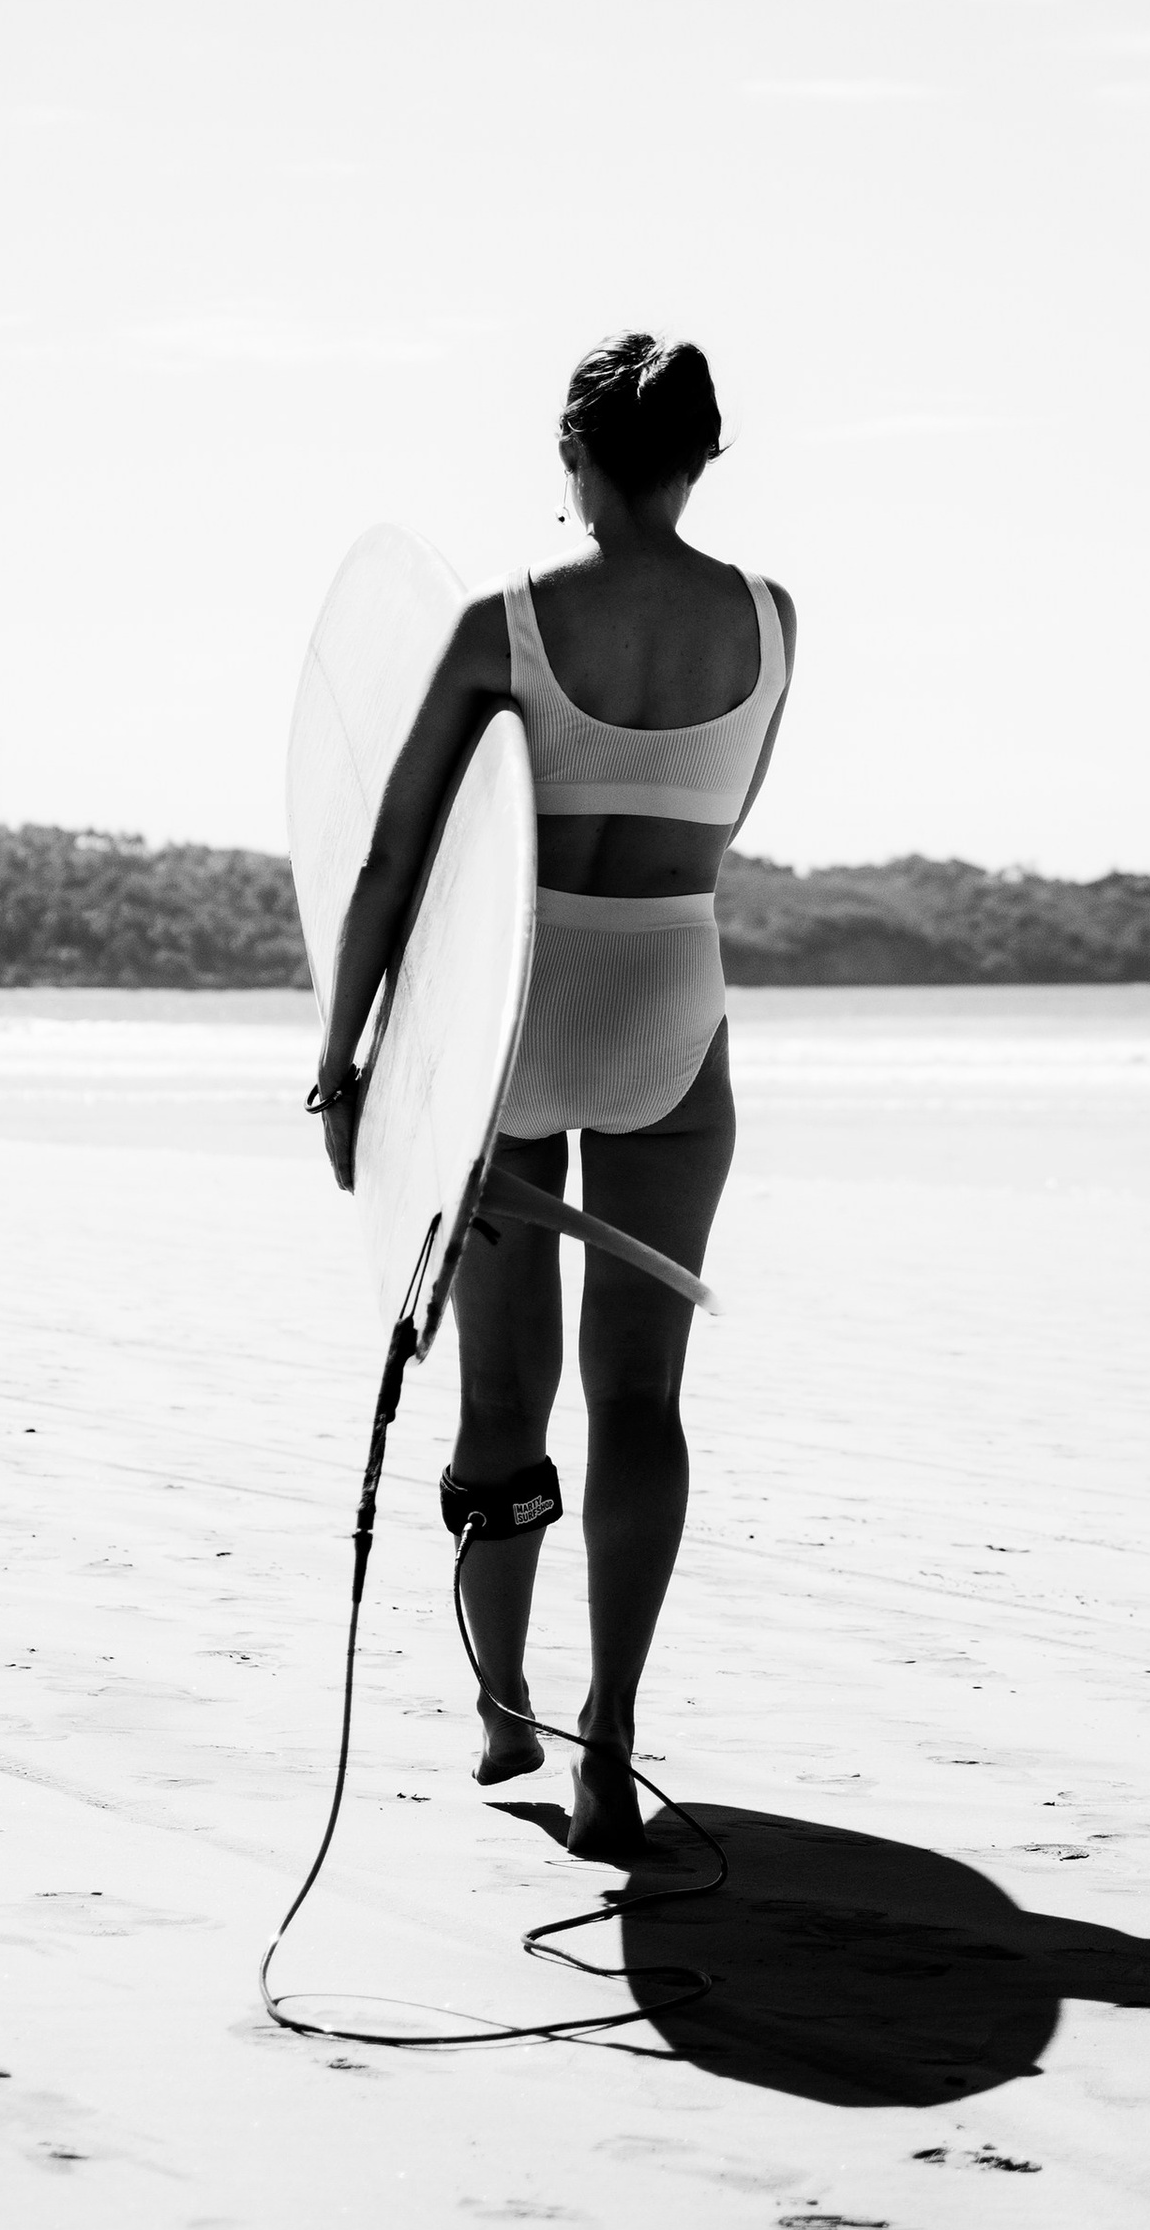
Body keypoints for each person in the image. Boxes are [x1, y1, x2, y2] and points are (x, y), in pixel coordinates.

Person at [311, 333, 795, 1864]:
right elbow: (721, 825)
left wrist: (347, 1064)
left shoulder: (501, 625)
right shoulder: (773, 626)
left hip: (514, 1023)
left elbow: (394, 862)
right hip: (670, 1007)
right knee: (638, 1401)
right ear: (702, 457)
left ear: (581, 456)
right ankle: (613, 1746)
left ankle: (506, 1705)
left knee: (501, 1399)